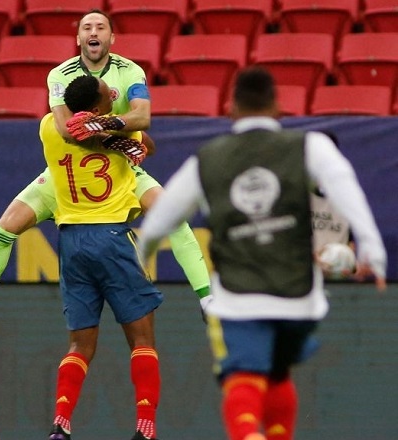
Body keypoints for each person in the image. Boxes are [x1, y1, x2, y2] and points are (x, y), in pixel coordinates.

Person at [139, 67, 387, 440]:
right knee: (277, 372)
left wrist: (143, 253)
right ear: (278, 107)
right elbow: (344, 187)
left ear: (230, 108)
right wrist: (373, 248)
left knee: (241, 376)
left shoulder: (206, 160)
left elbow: (158, 223)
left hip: (240, 297)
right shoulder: (311, 146)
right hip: (300, 298)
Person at [0, 8, 211, 330]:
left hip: (118, 168)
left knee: (172, 216)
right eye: (87, 26)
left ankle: (207, 299)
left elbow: (142, 118)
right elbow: (65, 129)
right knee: (5, 227)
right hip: (67, 171)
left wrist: (106, 127)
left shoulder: (130, 71)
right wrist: (117, 140)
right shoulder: (60, 74)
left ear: (111, 37)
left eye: (101, 26)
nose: (94, 31)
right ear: (78, 38)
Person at [44, 74, 163, 440]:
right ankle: (145, 427)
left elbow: (69, 130)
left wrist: (93, 125)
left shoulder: (49, 127)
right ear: (97, 107)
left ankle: (61, 423)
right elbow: (149, 147)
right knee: (142, 341)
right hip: (111, 237)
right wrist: (113, 130)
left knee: (80, 345)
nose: (113, 93)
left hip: (71, 242)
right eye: (106, 93)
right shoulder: (123, 136)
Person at [309, 132, 356, 278]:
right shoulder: (294, 193)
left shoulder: (347, 195)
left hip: (336, 278)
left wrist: (348, 261)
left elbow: (350, 239)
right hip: (303, 278)